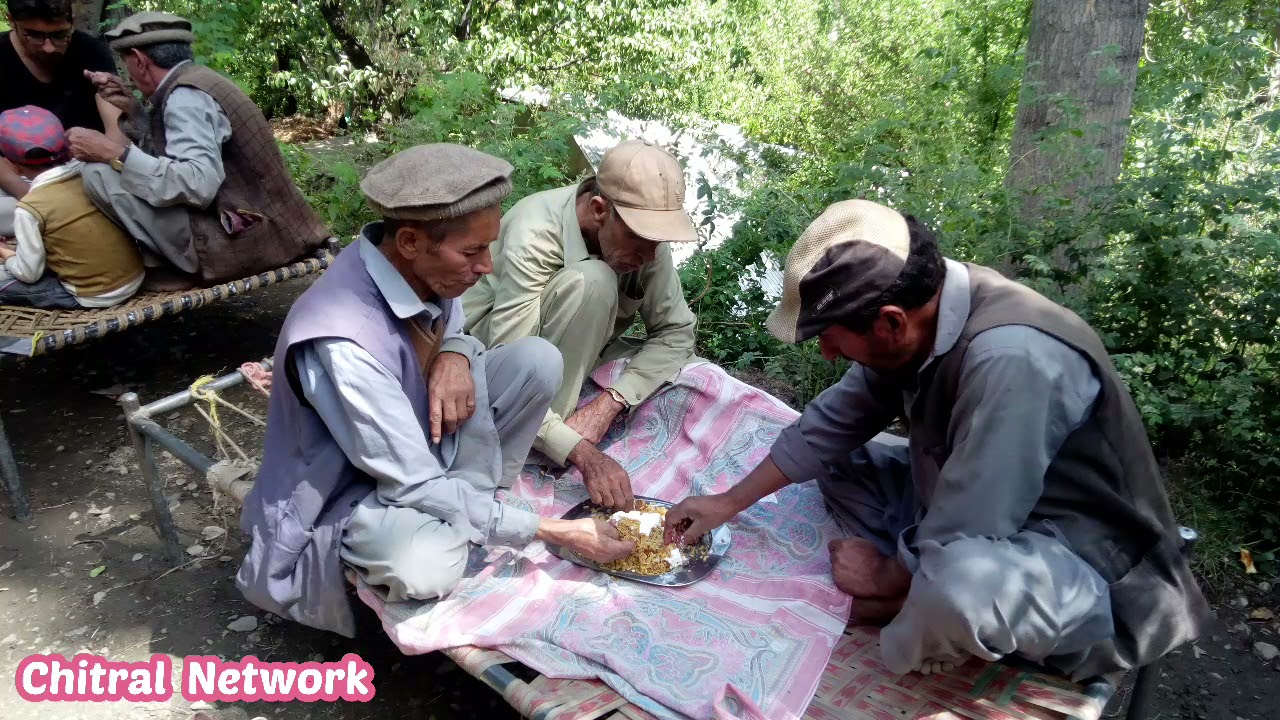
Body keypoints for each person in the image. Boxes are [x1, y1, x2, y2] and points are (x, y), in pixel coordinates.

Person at [664, 199, 1211, 680]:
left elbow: (970, 523)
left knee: (958, 587)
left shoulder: (1013, 359)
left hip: (1076, 556)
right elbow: (829, 424)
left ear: (891, 323)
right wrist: (727, 502)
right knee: (829, 460)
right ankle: (911, 580)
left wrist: (884, 574)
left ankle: (905, 606)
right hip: (967, 503)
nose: (827, 354)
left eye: (830, 338)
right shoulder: (921, 310)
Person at [236, 144, 634, 637]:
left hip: (417, 440)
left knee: (538, 361)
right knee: (427, 566)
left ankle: (474, 505)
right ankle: (457, 518)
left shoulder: (419, 269)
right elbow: (411, 483)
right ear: (409, 241)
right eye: (472, 252)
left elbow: (456, 327)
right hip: (348, 486)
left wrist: (455, 353)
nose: (486, 267)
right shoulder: (344, 342)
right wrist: (554, 531)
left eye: (488, 248)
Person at [462, 139, 699, 510]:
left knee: (694, 372)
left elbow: (677, 332)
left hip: (583, 354)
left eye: (658, 241)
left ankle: (563, 427)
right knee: (595, 281)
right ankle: (541, 444)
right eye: (641, 239)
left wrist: (612, 402)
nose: (650, 256)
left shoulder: (644, 240)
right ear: (600, 210)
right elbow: (516, 362)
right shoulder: (534, 233)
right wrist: (582, 452)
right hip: (493, 358)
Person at [64, 11, 329, 286]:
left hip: (245, 240)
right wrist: (134, 111)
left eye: (126, 62)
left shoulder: (185, 98)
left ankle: (183, 268)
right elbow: (177, 156)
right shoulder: (198, 80)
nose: (127, 73)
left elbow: (197, 184)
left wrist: (112, 153)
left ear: (140, 60)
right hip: (270, 226)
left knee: (97, 173)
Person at [1, 0, 123, 238]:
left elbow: (116, 130)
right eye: (34, 35)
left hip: (86, 175)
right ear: (11, 21)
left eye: (59, 35)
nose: (48, 47)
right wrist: (36, 200)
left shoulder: (90, 51)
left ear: (72, 21)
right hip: (15, 182)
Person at [0, 105, 142, 308]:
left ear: (12, 165)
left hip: (95, 295)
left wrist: (5, 252)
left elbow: (29, 274)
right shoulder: (90, 176)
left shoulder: (29, 207)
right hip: (135, 276)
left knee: (5, 278)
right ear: (67, 150)